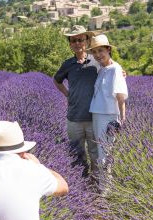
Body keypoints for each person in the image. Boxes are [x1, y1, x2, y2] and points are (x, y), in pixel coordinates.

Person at [53, 25, 99, 179]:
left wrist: (122, 73)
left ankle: (97, 183)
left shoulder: (96, 61)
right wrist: (67, 94)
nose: (77, 43)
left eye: (80, 40)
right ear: (70, 44)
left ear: (87, 41)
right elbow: (57, 80)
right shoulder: (68, 64)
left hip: (94, 117)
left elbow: (112, 70)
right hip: (74, 117)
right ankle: (82, 184)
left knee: (96, 153)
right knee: (77, 153)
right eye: (73, 41)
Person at [87, 34, 128, 192]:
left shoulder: (115, 69)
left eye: (101, 51)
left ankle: (106, 191)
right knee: (101, 152)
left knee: (106, 153)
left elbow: (120, 96)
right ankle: (103, 187)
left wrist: (122, 119)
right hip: (98, 114)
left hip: (108, 115)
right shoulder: (102, 68)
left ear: (108, 50)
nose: (98, 55)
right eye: (95, 52)